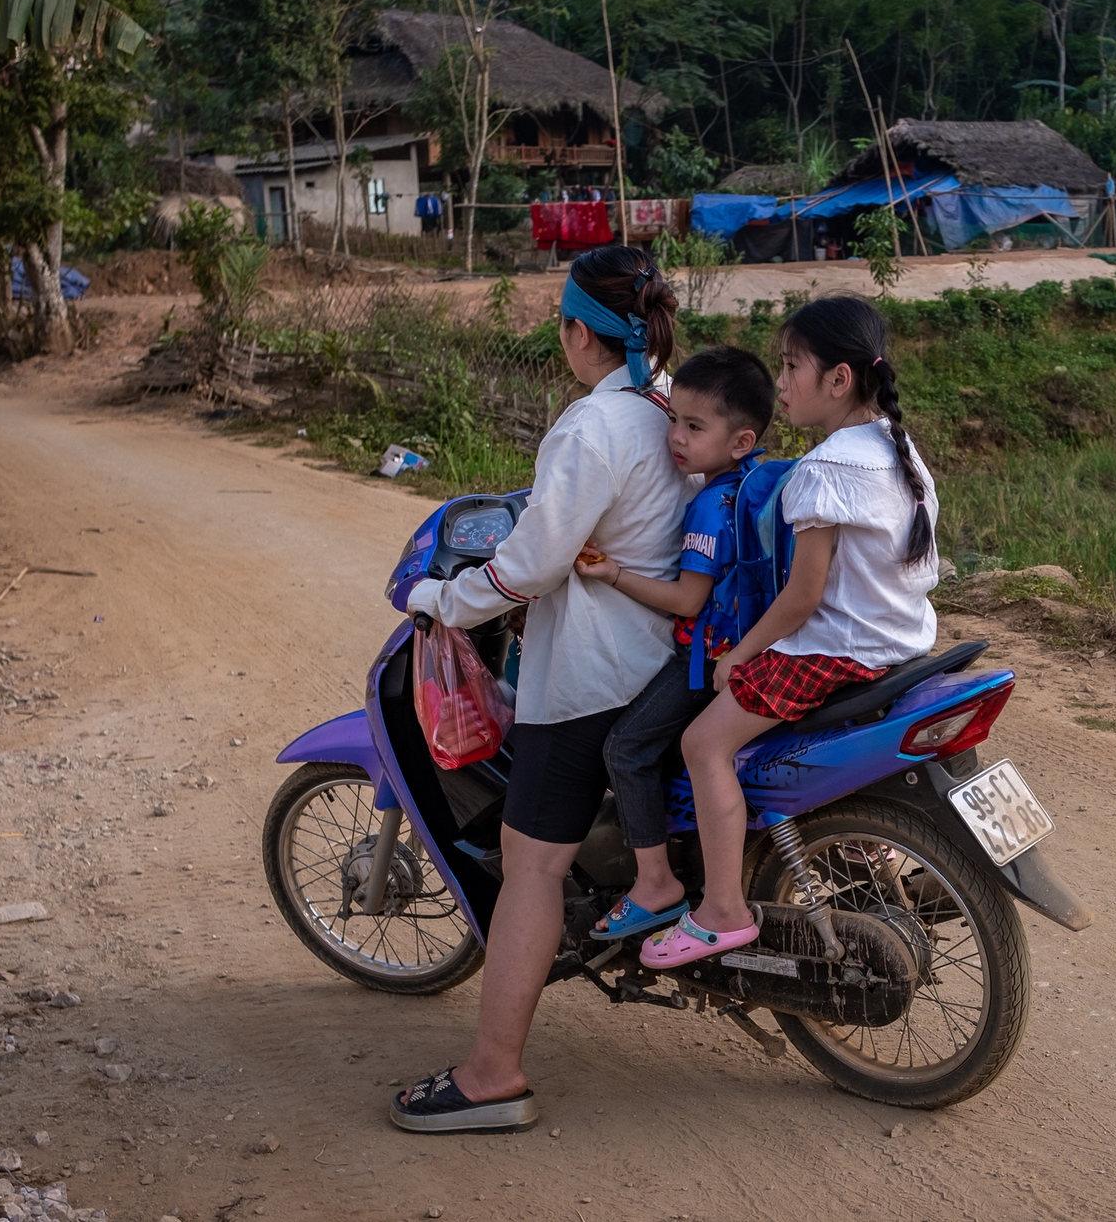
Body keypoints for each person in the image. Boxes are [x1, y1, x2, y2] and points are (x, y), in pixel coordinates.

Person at [388, 245, 692, 1134]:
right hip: (669, 660)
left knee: (532, 862)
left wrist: (446, 597)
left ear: (575, 331)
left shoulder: (592, 427)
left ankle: (492, 1074)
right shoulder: (674, 405)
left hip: (595, 675)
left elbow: (530, 563)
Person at [640, 295, 940, 970]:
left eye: (791, 366)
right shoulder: (898, 451)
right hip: (902, 644)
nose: (780, 383)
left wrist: (739, 654)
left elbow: (802, 598)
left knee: (701, 743)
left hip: (836, 652)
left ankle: (721, 910)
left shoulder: (824, 470)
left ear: (838, 380)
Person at [570, 346, 778, 939]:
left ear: (739, 440)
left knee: (625, 748)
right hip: (758, 644)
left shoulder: (710, 505)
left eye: (693, 426)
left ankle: (655, 881)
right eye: (673, 420)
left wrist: (612, 573)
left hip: (710, 659)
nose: (675, 438)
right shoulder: (754, 483)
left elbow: (688, 601)